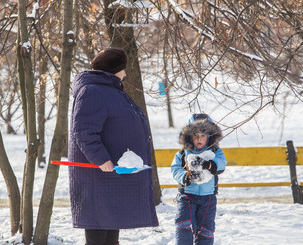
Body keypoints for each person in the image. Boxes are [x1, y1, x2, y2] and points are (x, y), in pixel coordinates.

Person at [68, 48, 159, 245]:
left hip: (110, 177)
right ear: (113, 70)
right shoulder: (92, 91)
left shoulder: (109, 90)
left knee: (111, 235)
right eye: (123, 69)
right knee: (98, 236)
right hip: (97, 176)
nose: (125, 73)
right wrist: (101, 158)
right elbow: (84, 131)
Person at [171, 114, 227, 245]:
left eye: (203, 135)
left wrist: (211, 165)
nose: (199, 139)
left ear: (210, 137)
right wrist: (184, 176)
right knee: (184, 225)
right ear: (189, 137)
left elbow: (222, 163)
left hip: (208, 198)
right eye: (196, 135)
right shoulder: (183, 153)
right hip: (187, 197)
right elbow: (175, 168)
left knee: (206, 230)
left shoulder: (216, 152)